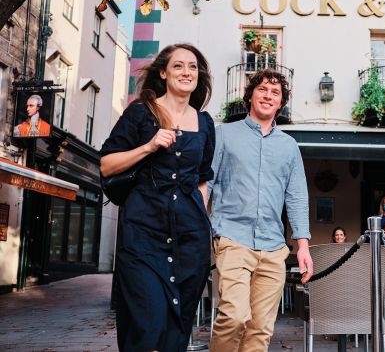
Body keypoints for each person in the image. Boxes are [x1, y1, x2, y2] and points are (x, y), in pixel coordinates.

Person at [100, 44, 214, 351]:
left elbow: (203, 180)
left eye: (193, 66)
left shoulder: (205, 123)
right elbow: (107, 164)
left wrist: (201, 219)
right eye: (178, 66)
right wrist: (149, 146)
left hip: (190, 241)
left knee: (176, 329)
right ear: (163, 73)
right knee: (147, 320)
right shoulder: (141, 112)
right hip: (142, 235)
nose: (186, 72)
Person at [208, 69, 313, 351]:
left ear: (281, 103)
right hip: (232, 239)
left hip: (273, 247)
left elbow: (297, 197)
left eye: (275, 93)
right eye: (262, 90)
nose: (268, 96)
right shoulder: (224, 135)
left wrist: (302, 246)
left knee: (260, 330)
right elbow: (205, 185)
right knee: (233, 316)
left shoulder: (289, 147)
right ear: (250, 96)